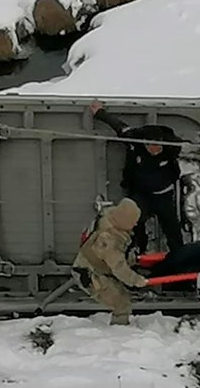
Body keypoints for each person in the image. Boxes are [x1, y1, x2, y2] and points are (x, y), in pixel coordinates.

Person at [89, 101, 185, 253]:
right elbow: (119, 126)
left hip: (163, 195)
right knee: (134, 221)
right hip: (141, 194)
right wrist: (100, 112)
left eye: (157, 148)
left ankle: (179, 255)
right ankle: (138, 250)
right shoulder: (134, 141)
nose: (154, 151)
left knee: (172, 226)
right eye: (150, 147)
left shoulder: (172, 147)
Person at [73, 198, 149, 325]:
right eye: (133, 221)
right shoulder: (110, 239)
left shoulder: (110, 216)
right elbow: (119, 267)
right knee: (122, 304)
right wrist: (136, 280)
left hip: (96, 266)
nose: (135, 225)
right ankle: (118, 334)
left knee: (122, 294)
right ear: (124, 220)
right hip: (91, 275)